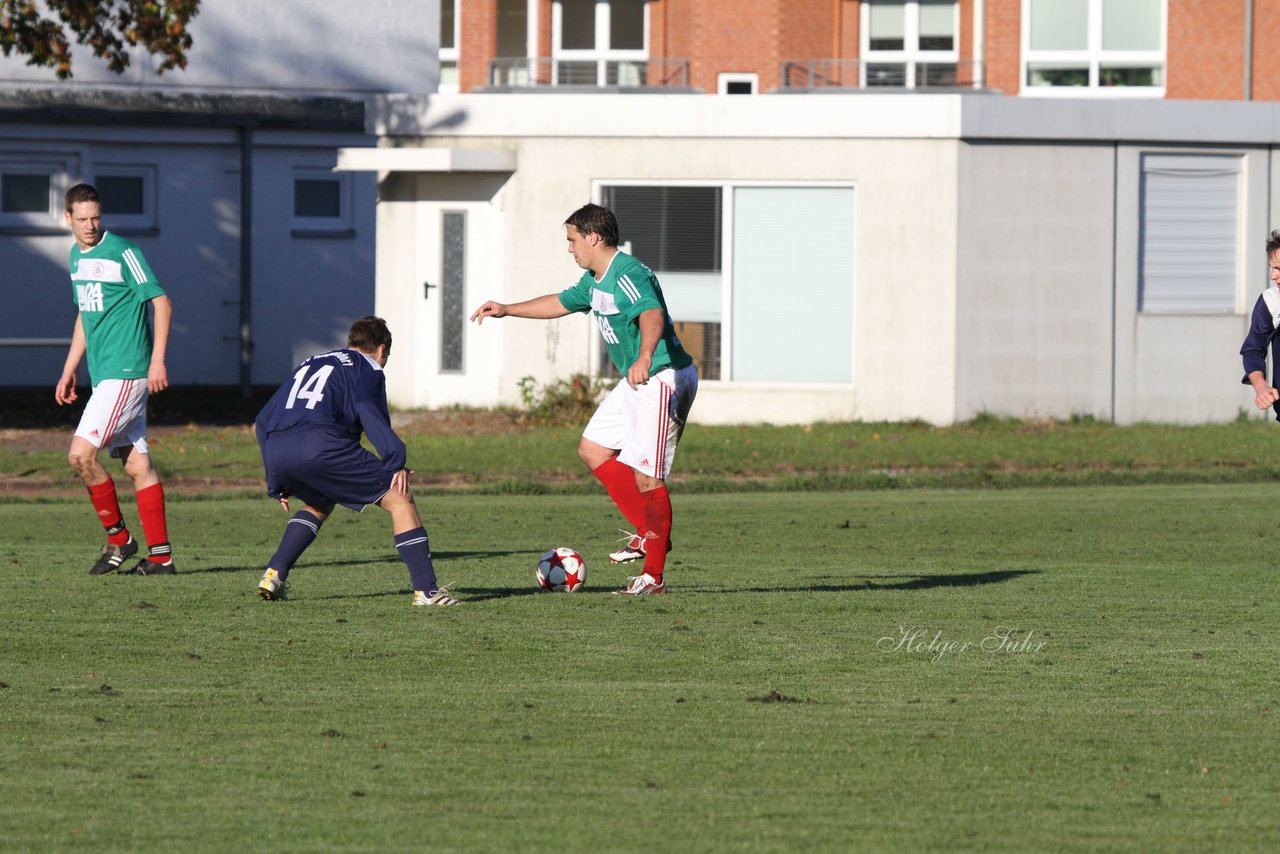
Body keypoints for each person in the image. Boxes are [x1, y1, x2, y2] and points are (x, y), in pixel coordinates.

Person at [471, 202, 698, 595]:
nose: (569, 248)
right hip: (638, 380)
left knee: (648, 475)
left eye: (572, 240)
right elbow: (560, 302)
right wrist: (507, 309)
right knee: (593, 449)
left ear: (594, 237)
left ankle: (653, 577)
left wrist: (645, 355)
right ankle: (647, 532)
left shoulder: (629, 273)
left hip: (662, 376)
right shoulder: (594, 281)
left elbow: (652, 316)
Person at [254, 316, 458, 607]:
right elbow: (367, 409)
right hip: (320, 444)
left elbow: (262, 420)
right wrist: (395, 459)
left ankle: (274, 573)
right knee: (400, 498)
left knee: (320, 501)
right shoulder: (368, 367)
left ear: (352, 342)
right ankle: (427, 590)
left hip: (278, 447)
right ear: (382, 349)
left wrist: (275, 479)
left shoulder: (311, 361)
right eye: (386, 356)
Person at [56, 183, 176, 576]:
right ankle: (161, 558)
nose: (91, 225)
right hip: (105, 374)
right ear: (68, 218)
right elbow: (85, 316)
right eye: (83, 219)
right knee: (137, 466)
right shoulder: (76, 257)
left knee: (80, 455)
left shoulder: (124, 251)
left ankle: (119, 539)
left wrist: (157, 361)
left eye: (96, 217)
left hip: (128, 372)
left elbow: (161, 302)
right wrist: (70, 367)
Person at [1242, 230, 1280, 416]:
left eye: (1279, 268)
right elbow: (1253, 350)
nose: (1273, 276)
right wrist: (1261, 387)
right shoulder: (1270, 301)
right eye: (1272, 267)